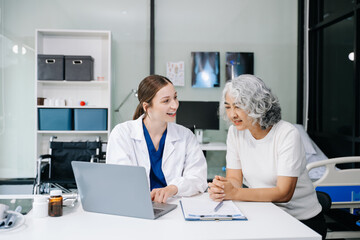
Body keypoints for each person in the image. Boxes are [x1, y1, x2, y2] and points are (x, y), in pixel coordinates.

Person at [208, 75, 326, 239]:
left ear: (258, 104)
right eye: (228, 107)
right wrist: (223, 189)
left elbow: (284, 193)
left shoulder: (287, 134)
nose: (232, 114)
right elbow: (234, 180)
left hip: (301, 223)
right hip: (264, 214)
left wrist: (234, 193)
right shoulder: (235, 133)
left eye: (239, 106)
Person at [106, 75, 207, 203]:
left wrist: (173, 188)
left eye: (175, 97)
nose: (175, 105)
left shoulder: (186, 136)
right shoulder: (122, 134)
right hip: (135, 205)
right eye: (166, 101)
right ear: (146, 107)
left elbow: (198, 179)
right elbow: (119, 180)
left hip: (174, 205)